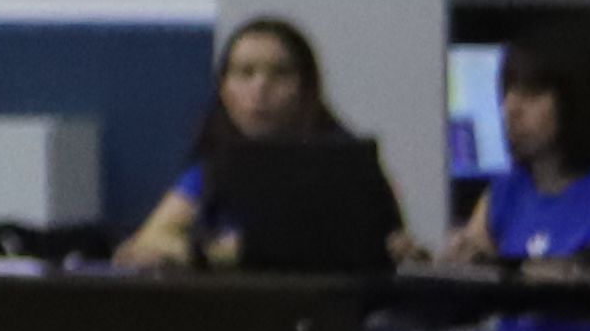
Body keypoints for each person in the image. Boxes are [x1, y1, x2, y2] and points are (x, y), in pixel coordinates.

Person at [113, 17, 409, 272]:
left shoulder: (349, 167)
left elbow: (386, 244)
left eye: (280, 74)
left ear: (307, 89)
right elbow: (148, 242)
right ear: (224, 89)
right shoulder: (213, 168)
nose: (260, 88)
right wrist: (210, 252)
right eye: (245, 73)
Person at [442, 37, 590, 275]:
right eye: (507, 90)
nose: (511, 109)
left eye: (531, 93)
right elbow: (472, 269)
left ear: (573, 101)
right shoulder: (506, 191)